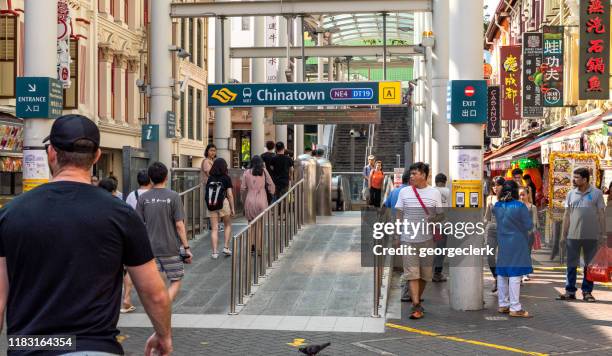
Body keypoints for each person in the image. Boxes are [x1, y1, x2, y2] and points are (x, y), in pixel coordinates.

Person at [0, 114, 172, 355]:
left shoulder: (10, 214)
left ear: (51, 153)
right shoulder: (121, 215)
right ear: (97, 156)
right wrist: (164, 335)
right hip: (95, 347)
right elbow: (154, 293)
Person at [137, 162, 193, 302]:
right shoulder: (174, 196)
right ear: (166, 177)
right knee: (176, 280)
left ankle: (161, 303)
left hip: (150, 249)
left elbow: (137, 224)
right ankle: (165, 303)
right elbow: (179, 225)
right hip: (171, 248)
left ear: (150, 178)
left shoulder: (143, 198)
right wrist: (186, 248)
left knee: (157, 282)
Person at [394, 162, 443, 319]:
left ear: (424, 175)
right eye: (411, 173)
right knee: (412, 273)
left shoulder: (434, 193)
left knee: (425, 275)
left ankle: (417, 302)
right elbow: (399, 214)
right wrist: (396, 234)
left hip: (428, 240)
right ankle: (415, 304)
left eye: (415, 173)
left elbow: (441, 215)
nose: (412, 176)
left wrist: (433, 218)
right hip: (408, 239)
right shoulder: (404, 192)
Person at [557, 167, 606, 302]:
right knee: (571, 265)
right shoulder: (571, 194)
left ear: (585, 179)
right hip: (573, 236)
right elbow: (566, 216)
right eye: (574, 177)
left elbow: (601, 214)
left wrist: (603, 235)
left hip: (591, 236)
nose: (574, 179)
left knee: (589, 266)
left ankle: (587, 292)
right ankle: (570, 291)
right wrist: (563, 235)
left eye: (577, 177)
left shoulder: (597, 193)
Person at [493, 180, 533, 317]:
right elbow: (528, 225)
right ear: (515, 191)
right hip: (517, 241)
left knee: (502, 272)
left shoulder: (497, 206)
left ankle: (503, 304)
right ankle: (515, 307)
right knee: (515, 273)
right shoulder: (520, 206)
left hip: (502, 241)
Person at [122, 169, 153, 314]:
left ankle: (127, 298)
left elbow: (126, 213)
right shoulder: (153, 195)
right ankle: (152, 299)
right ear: (151, 181)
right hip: (151, 233)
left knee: (131, 268)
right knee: (152, 266)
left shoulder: (131, 195)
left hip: (133, 232)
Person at [241, 156, 275, 251]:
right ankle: (259, 248)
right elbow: (271, 184)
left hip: (250, 200)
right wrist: (271, 193)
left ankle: (251, 246)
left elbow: (243, 188)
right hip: (262, 199)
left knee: (250, 224)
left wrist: (243, 200)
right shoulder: (263, 171)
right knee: (260, 226)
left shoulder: (246, 172)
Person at [206, 158, 236, 259]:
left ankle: (214, 252)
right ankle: (226, 247)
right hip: (224, 204)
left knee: (214, 228)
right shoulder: (226, 178)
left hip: (212, 204)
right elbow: (230, 195)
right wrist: (232, 208)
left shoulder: (210, 178)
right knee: (227, 225)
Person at [484, 176, 506, 293]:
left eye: (498, 185)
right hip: (491, 230)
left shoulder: (507, 199)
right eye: (493, 185)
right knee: (490, 256)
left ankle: (500, 280)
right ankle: (496, 277)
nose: (495, 187)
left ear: (503, 186)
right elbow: (486, 217)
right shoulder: (490, 198)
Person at [432, 173, 450, 282]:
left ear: (435, 181)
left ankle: (427, 272)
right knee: (440, 249)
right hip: (442, 226)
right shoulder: (448, 192)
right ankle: (437, 273)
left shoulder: (430, 191)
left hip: (431, 225)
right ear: (445, 181)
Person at [519, 186, 538, 282]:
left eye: (523, 194)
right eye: (520, 195)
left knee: (527, 253)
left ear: (527, 195)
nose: (522, 197)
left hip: (528, 234)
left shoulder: (532, 207)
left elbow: (534, 222)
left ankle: (525, 274)